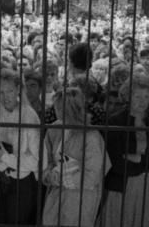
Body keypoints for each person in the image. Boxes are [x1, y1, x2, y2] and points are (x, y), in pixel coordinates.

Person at [100, 75, 149, 227]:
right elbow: (113, 161)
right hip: (120, 188)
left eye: (146, 96)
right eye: (137, 96)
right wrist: (147, 163)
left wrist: (137, 159)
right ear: (128, 96)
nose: (142, 101)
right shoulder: (114, 122)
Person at [42, 87, 111, 227]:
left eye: (58, 106)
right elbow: (47, 159)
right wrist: (48, 173)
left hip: (80, 196)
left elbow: (93, 174)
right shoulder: (54, 128)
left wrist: (63, 177)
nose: (54, 109)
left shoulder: (91, 136)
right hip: (56, 192)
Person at [0, 69, 41, 225]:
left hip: (22, 183)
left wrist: (4, 157)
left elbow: (36, 161)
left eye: (9, 90)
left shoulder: (29, 115)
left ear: (18, 89)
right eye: (0, 92)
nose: (5, 96)